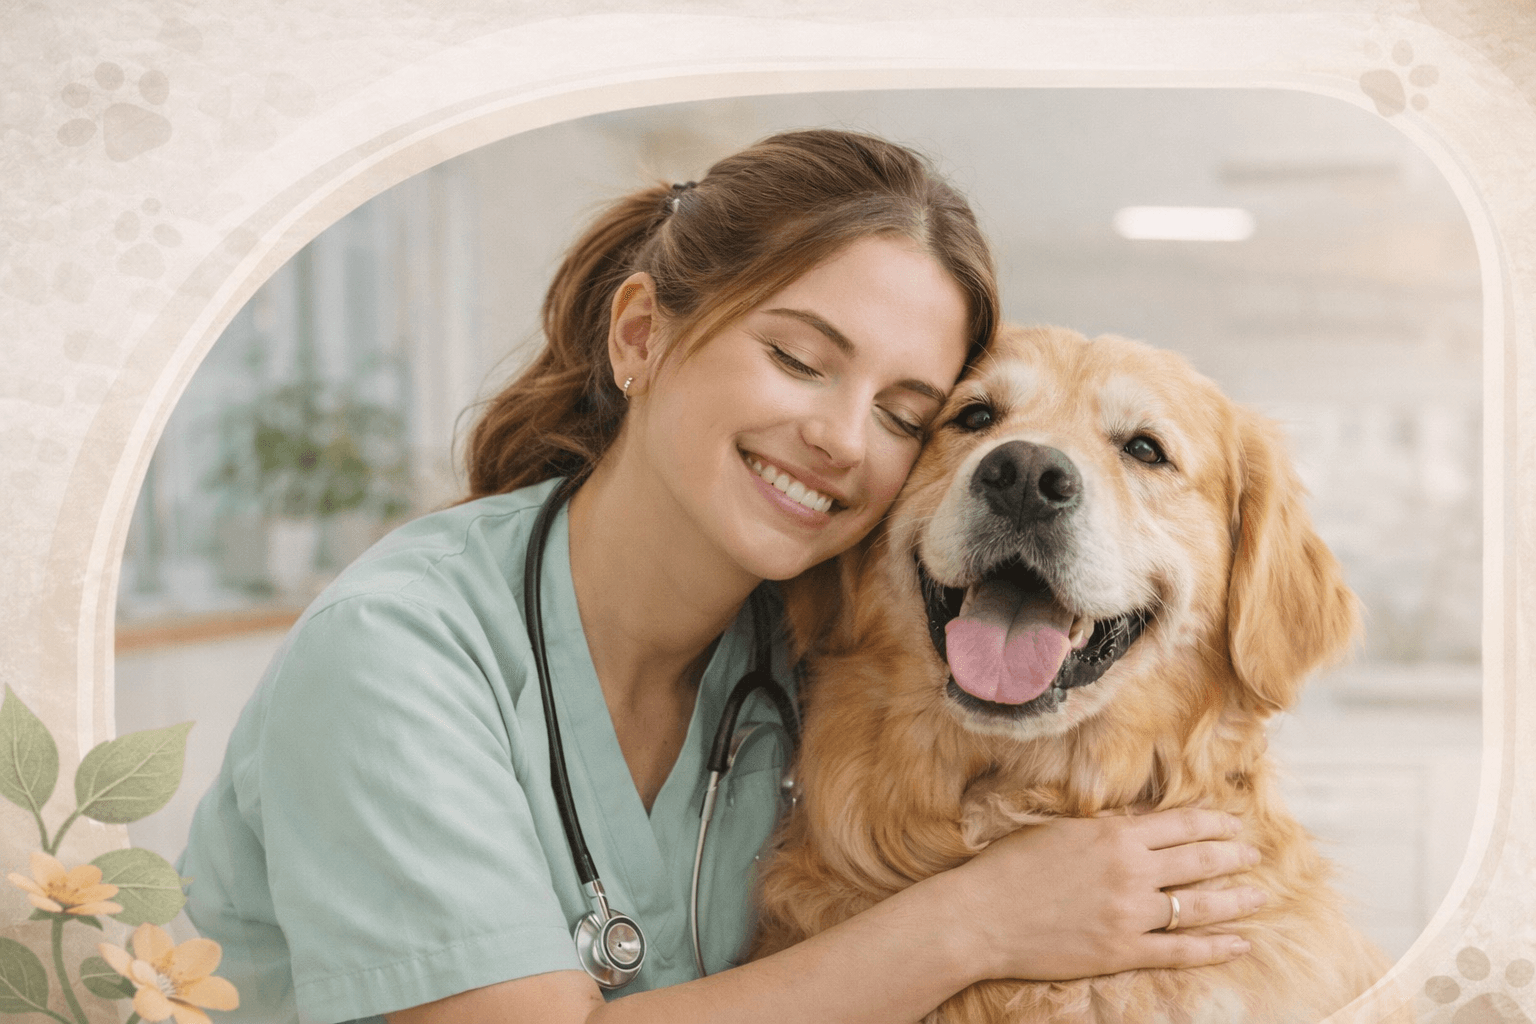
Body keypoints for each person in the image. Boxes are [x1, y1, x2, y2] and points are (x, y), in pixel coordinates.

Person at [179, 128, 1266, 1024]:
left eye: (904, 413)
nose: (842, 437)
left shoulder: (815, 650)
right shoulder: (396, 651)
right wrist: (978, 920)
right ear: (642, 335)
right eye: (798, 358)